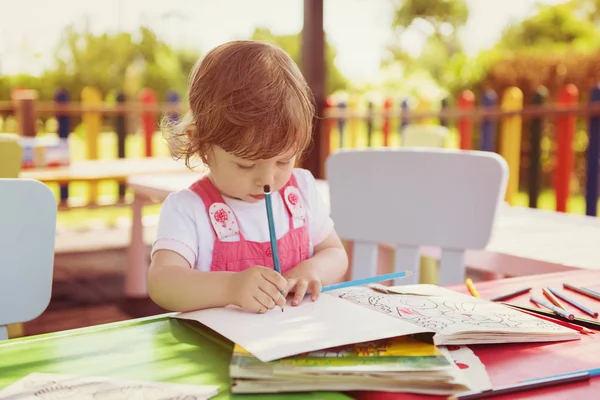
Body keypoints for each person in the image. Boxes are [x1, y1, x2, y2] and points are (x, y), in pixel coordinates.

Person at [147, 40, 348, 314]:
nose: (267, 179)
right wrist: (230, 287)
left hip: (294, 344)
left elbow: (336, 254)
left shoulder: (299, 192)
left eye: (283, 160)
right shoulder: (188, 209)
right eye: (245, 164)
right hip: (219, 351)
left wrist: (312, 270)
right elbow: (162, 282)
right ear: (202, 145)